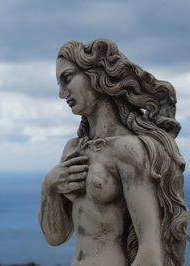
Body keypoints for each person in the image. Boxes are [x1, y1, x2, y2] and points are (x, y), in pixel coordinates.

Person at [39, 38, 187, 266]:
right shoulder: (72, 149)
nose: (61, 93)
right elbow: (55, 237)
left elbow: (151, 251)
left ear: (95, 75)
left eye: (67, 79)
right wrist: (49, 188)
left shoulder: (127, 150)